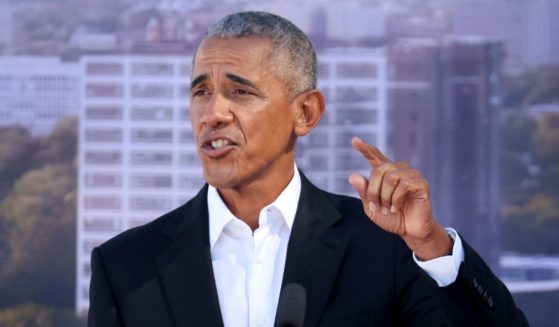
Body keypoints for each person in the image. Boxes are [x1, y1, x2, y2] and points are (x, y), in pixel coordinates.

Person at [88, 11, 528, 327]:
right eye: (201, 92)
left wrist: (430, 244)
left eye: (239, 92)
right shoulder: (125, 264)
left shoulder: (388, 248)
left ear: (306, 113)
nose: (213, 113)